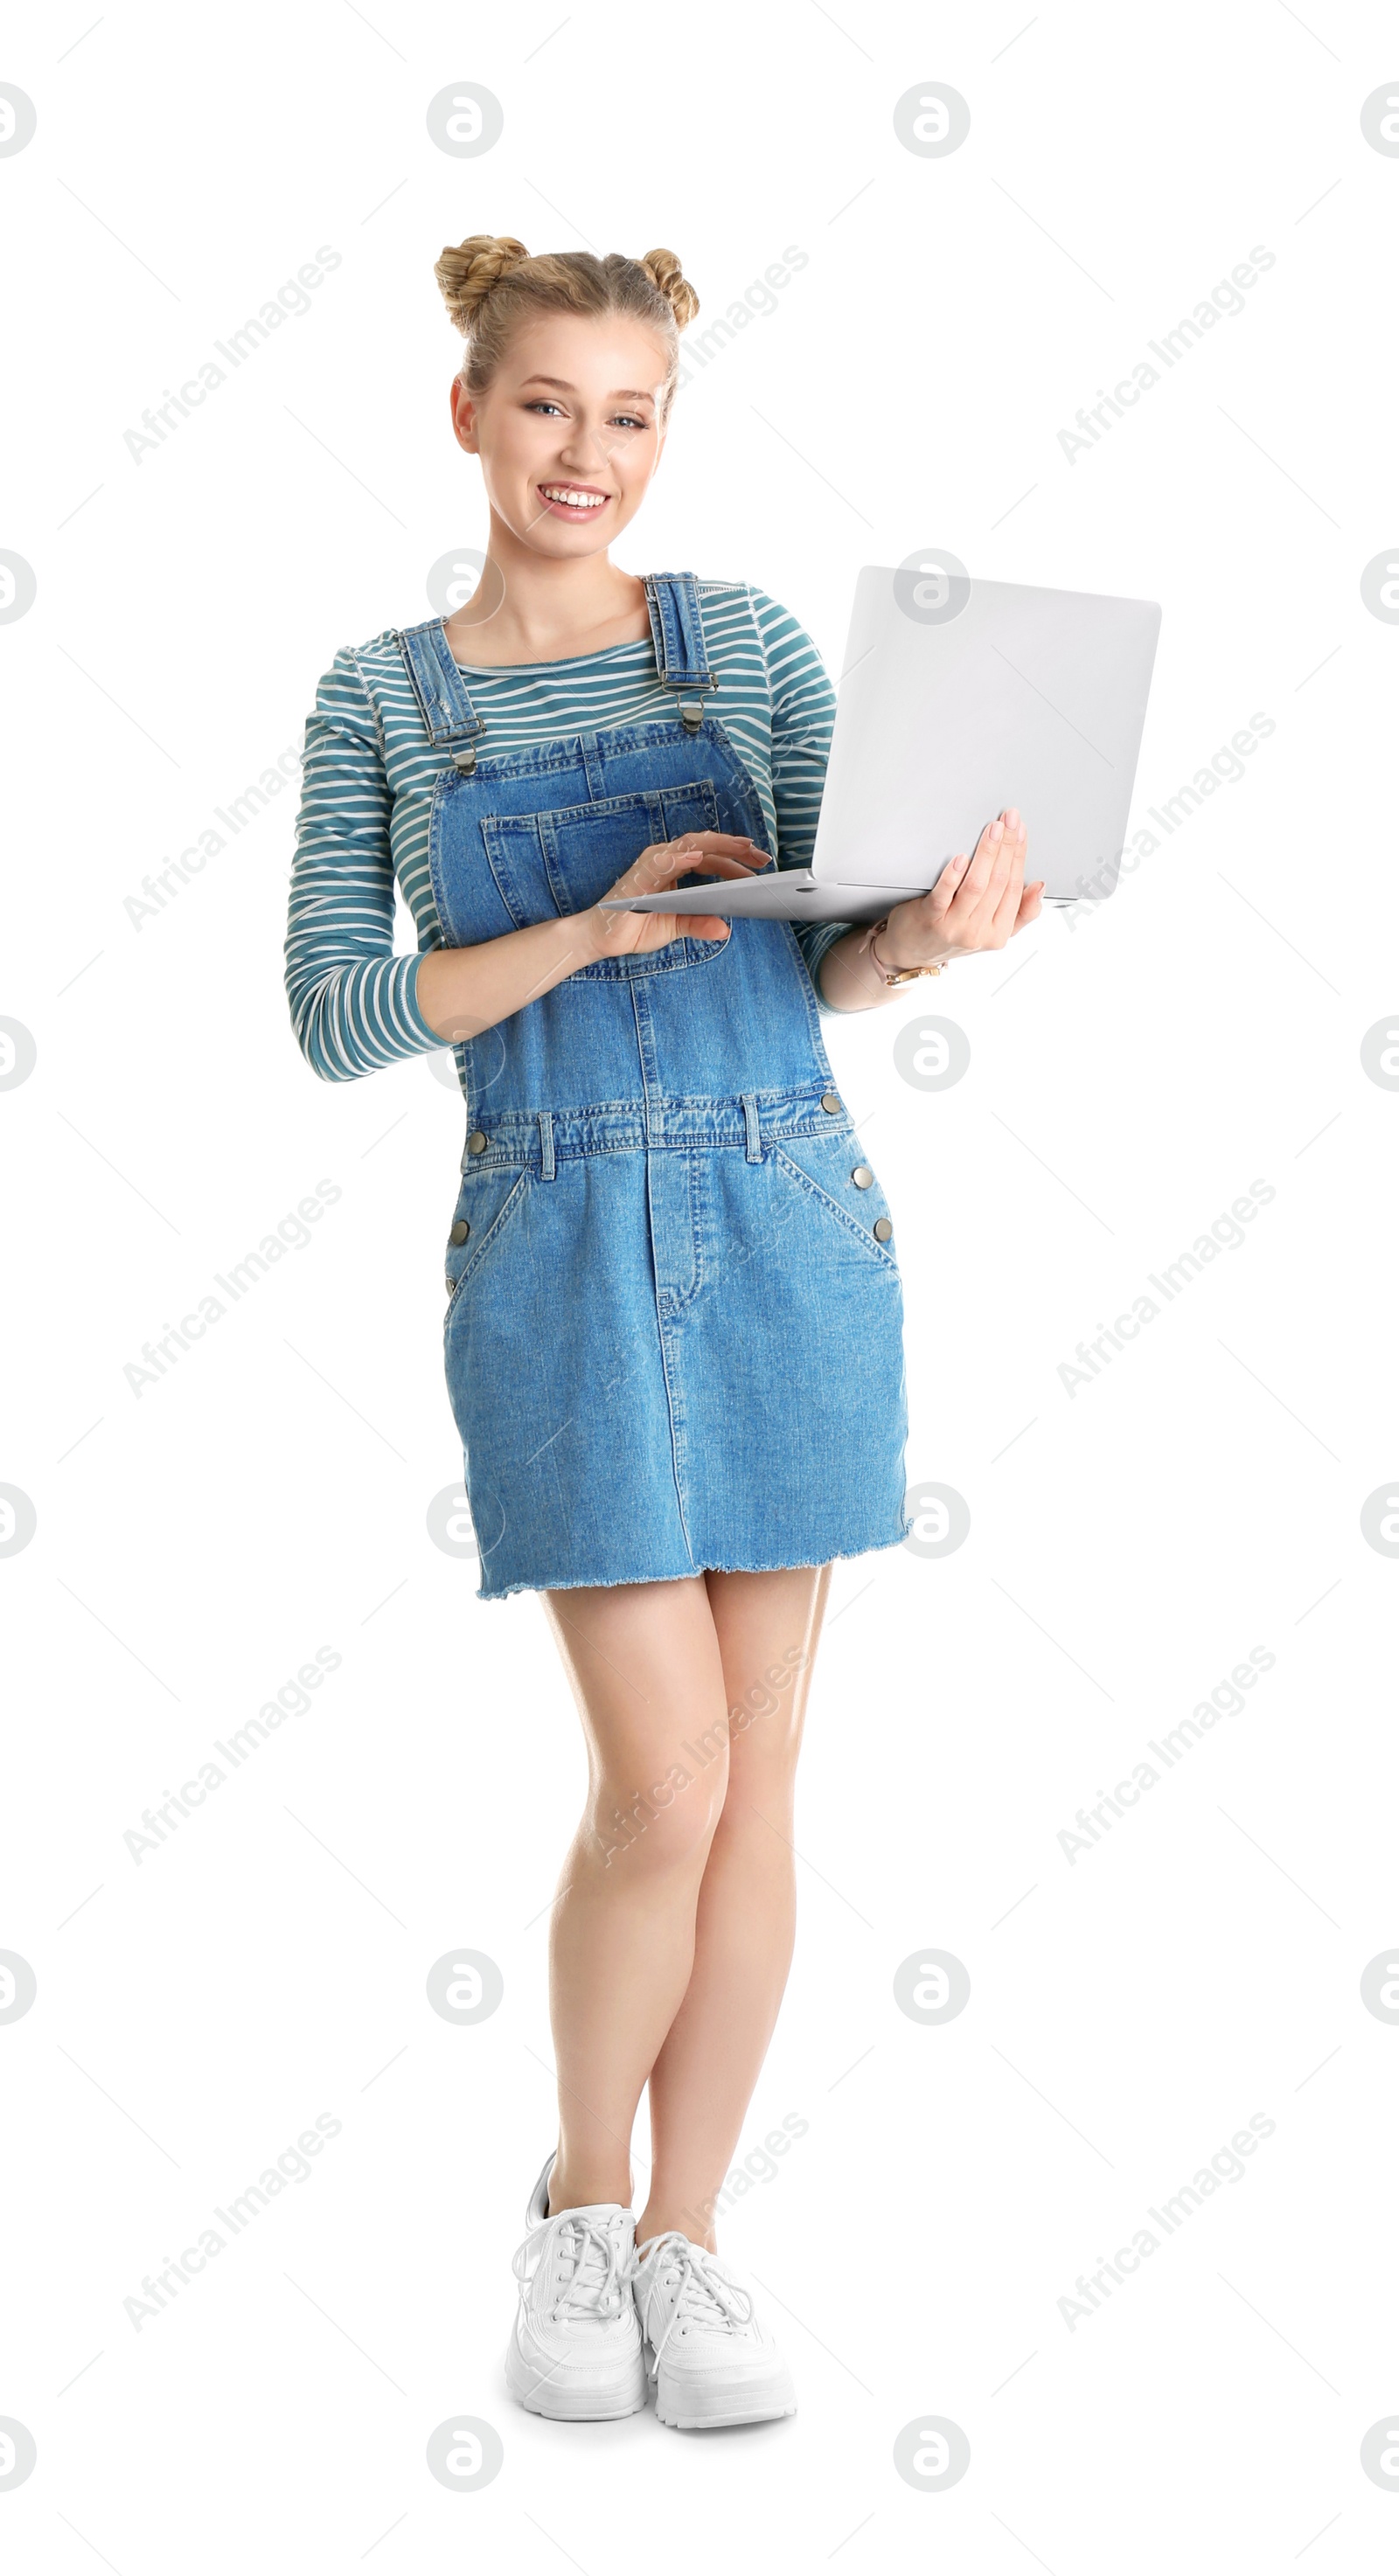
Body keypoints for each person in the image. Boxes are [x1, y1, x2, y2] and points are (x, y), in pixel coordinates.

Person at [284, 233, 1041, 2433]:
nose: (585, 452)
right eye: (545, 406)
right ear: (468, 415)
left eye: (629, 415)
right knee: (664, 1774)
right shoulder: (382, 701)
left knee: (767, 1767)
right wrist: (594, 923)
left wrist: (930, 934)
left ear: (663, 433)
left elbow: (826, 959)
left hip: (783, 1203)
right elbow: (339, 1010)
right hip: (551, 1238)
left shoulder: (750, 650)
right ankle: (580, 2196)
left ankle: (698, 2239)